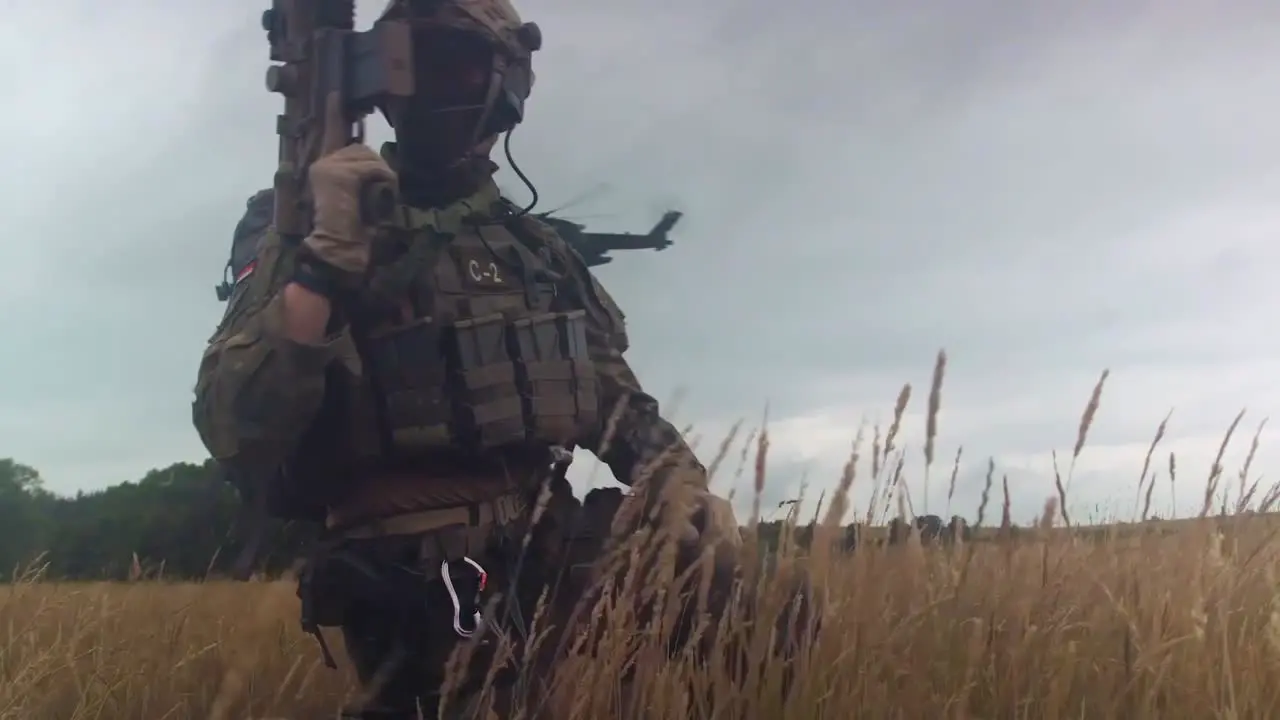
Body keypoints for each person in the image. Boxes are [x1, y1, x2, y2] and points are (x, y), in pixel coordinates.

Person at [191, 0, 712, 716]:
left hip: (548, 545)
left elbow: (615, 404)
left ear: (506, 86)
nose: (442, 90)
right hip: (408, 570)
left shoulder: (532, 248)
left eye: (461, 66)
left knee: (751, 594)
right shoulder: (313, 223)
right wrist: (322, 265)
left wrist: (683, 489)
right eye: (423, 66)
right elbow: (236, 425)